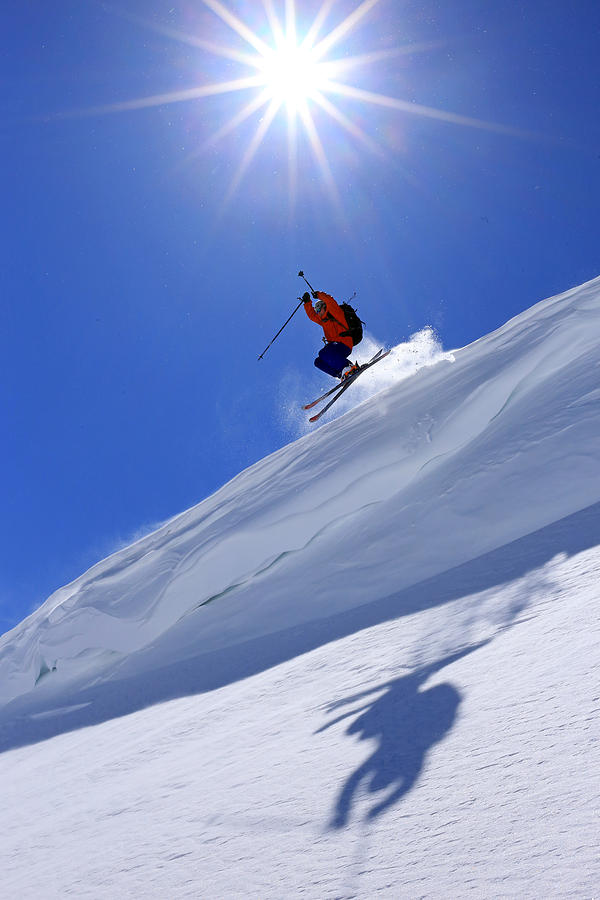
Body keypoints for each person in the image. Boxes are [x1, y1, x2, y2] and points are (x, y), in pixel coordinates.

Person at [302, 290, 359, 380]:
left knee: (323, 352)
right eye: (316, 310)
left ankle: (348, 367)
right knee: (318, 362)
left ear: (324, 307)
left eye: (318, 309)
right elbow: (312, 316)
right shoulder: (323, 321)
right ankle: (342, 374)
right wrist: (307, 302)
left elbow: (329, 300)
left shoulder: (335, 313)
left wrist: (318, 295)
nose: (317, 312)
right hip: (335, 348)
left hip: (344, 343)